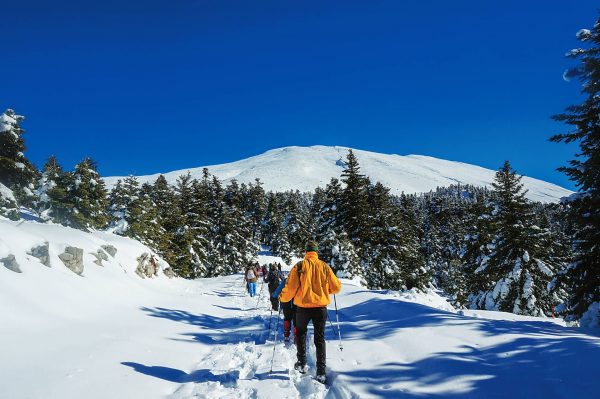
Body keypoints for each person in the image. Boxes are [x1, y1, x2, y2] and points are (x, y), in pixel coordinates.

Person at [279, 240, 341, 384]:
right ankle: (321, 372)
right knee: (319, 338)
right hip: (320, 308)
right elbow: (337, 287)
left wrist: (282, 297)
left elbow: (290, 289)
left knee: (300, 333)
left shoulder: (299, 266)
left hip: (302, 308)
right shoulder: (324, 266)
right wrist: (326, 291)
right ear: (316, 252)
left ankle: (301, 363)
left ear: (306, 252)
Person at [272, 276, 297, 344]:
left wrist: (274, 295)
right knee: (296, 320)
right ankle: (296, 336)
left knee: (287, 318)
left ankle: (286, 335)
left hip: (286, 302)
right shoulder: (298, 280)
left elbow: (278, 289)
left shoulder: (285, 281)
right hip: (296, 303)